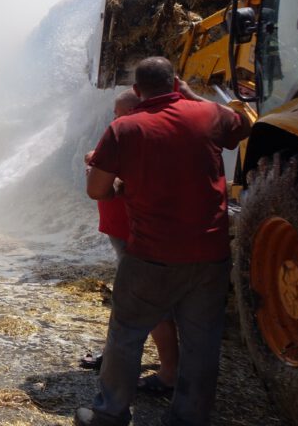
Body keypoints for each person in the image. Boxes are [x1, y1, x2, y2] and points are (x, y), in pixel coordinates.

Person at [75, 57, 252, 426]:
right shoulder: (206, 117)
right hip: (210, 254)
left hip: (151, 256)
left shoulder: (125, 128)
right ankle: (188, 418)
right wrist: (190, 95)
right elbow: (244, 124)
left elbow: (97, 190)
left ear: (138, 92)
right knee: (202, 343)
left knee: (126, 335)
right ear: (175, 83)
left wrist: (122, 186)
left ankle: (109, 415)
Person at [81, 90, 180, 397]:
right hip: (125, 230)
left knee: (150, 303)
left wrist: (98, 171)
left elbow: (105, 183)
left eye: (119, 113)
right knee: (127, 296)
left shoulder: (140, 138)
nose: (114, 119)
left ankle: (169, 374)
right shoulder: (129, 136)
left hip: (135, 233)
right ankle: (114, 356)